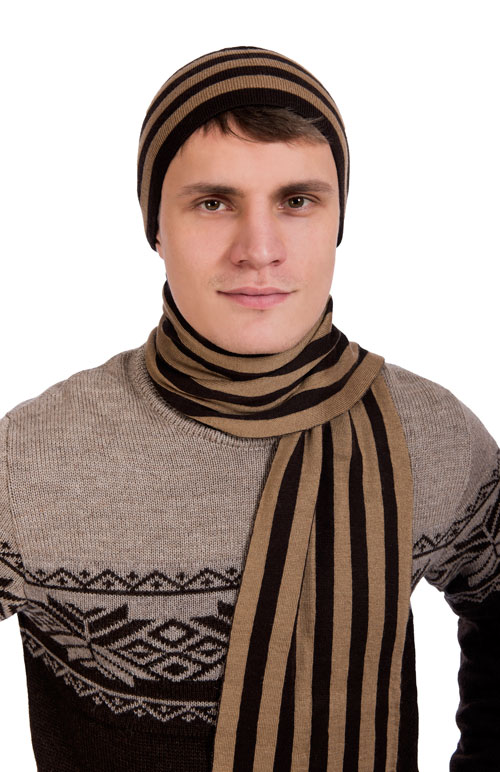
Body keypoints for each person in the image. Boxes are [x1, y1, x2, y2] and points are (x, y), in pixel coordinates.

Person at [1, 44, 498, 772]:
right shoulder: (34, 457)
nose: (259, 250)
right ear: (156, 227)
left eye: (297, 201)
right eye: (213, 203)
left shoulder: (435, 436)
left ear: (337, 221)